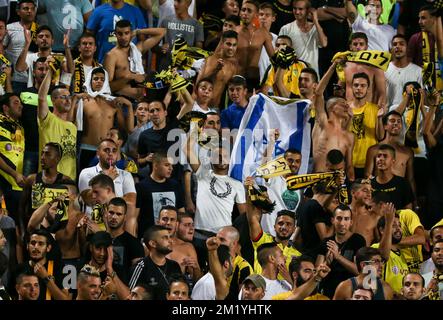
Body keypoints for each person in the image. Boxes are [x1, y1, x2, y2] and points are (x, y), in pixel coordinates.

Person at [185, 127, 246, 270]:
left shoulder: (237, 185)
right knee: (197, 271)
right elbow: (187, 149)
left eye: (224, 156)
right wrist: (195, 129)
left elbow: (243, 217)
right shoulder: (202, 174)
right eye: (217, 155)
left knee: (220, 273)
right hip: (200, 234)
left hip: (224, 238)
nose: (221, 158)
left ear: (230, 159)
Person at [74, 67, 130, 169]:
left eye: (102, 79)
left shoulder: (113, 103)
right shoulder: (83, 102)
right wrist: (76, 99)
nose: (99, 81)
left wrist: (122, 107)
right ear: (90, 81)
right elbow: (72, 124)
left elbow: (123, 129)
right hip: (87, 148)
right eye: (95, 79)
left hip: (108, 150)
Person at [244, 176, 300, 275]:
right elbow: (252, 219)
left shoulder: (298, 256)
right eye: (280, 223)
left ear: (294, 229)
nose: (284, 227)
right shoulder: (263, 241)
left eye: (288, 224)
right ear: (274, 227)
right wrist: (248, 191)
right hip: (259, 288)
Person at [104, 20, 166, 101]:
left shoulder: (138, 49)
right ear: (115, 34)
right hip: (122, 101)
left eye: (127, 33)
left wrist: (138, 31)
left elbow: (162, 32)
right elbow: (107, 87)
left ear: (131, 33)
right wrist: (129, 78)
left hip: (141, 101)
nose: (123, 37)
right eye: (120, 34)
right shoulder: (111, 56)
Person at [315, 204, 366, 298]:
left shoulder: (358, 240)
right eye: (339, 218)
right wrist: (327, 262)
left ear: (351, 222)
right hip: (327, 293)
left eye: (346, 219)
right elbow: (316, 273)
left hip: (350, 293)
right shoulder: (326, 242)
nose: (342, 223)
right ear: (332, 220)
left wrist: (338, 257)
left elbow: (359, 271)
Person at [37, 63, 77, 181]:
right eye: (63, 97)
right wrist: (50, 70)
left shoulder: (72, 126)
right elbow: (41, 98)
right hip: (48, 179)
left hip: (68, 180)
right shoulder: (47, 119)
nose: (68, 100)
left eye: (69, 97)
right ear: (53, 100)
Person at [132, 152, 185, 239]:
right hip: (149, 238)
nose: (171, 168)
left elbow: (181, 213)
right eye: (167, 165)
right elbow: (134, 218)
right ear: (155, 166)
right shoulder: (141, 186)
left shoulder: (175, 185)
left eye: (171, 165)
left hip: (171, 238)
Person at [365, 111, 416, 199]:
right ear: (385, 126)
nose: (396, 123)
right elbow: (367, 175)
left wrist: (415, 202)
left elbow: (410, 179)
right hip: (378, 194)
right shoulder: (374, 149)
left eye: (399, 121)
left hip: (400, 194)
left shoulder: (408, 151)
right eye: (392, 121)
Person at [78, 139, 136, 215]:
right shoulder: (86, 172)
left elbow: (131, 202)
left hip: (116, 222)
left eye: (114, 151)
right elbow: (89, 199)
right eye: (106, 150)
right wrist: (107, 179)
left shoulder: (126, 175)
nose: (111, 154)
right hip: (92, 221)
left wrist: (103, 197)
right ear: (98, 154)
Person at [128, 225, 182, 300]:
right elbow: (131, 295)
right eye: (165, 238)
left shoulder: (174, 265)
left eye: (170, 237)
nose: (170, 241)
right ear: (153, 243)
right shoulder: (140, 267)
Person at [311, 86, 354, 179]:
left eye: (347, 104)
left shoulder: (349, 136)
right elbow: (319, 93)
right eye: (342, 104)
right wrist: (332, 70)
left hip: (338, 184)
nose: (347, 106)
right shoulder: (322, 124)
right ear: (332, 107)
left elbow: (349, 166)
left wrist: (351, 185)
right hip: (319, 181)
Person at [15, 229, 69, 300]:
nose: (36, 247)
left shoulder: (60, 268)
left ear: (48, 248)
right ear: (27, 246)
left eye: (41, 244)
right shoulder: (18, 270)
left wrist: (46, 278)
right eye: (33, 243)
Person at [338, 32, 387, 108]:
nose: (358, 47)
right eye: (355, 44)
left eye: (361, 44)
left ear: (366, 46)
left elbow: (382, 93)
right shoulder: (345, 65)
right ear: (350, 47)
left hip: (368, 111)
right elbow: (339, 90)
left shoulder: (375, 67)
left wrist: (379, 112)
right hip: (349, 111)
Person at [279, 0, 327, 75]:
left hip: (311, 75)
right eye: (295, 8)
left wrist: (316, 21)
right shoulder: (286, 29)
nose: (297, 12)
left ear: (307, 11)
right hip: (292, 75)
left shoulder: (315, 29)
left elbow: (324, 43)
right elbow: (280, 54)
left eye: (300, 9)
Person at [347, 72, 381, 178]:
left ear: (368, 88)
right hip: (348, 164)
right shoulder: (344, 108)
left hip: (369, 164)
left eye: (363, 85)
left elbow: (380, 137)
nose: (359, 88)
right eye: (356, 85)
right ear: (351, 87)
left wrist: (379, 119)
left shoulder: (376, 109)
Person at [156, 206, 201, 283]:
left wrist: (196, 268)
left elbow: (197, 281)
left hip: (179, 291)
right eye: (165, 219)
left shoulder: (187, 247)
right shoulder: (149, 246)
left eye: (172, 220)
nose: (168, 223)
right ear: (158, 222)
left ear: (177, 225)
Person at [236, 1, 274, 91]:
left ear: (256, 15)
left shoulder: (263, 33)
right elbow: (220, 54)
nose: (245, 13)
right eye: (243, 10)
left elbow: (275, 61)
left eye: (249, 11)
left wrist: (267, 84)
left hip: (254, 81)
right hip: (235, 79)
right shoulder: (234, 31)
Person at [104, 197, 144, 283]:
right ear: (106, 214)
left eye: (118, 214)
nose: (114, 217)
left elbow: (138, 276)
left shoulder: (134, 244)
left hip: (123, 289)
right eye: (111, 212)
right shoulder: (98, 238)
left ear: (125, 217)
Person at [195, 30, 239, 107]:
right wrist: (216, 70)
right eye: (228, 44)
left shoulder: (233, 66)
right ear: (222, 44)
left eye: (234, 45)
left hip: (216, 108)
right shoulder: (212, 59)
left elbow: (231, 89)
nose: (231, 48)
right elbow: (200, 83)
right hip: (200, 106)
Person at [371, 204, 409, 293]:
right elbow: (383, 255)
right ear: (381, 230)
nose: (398, 228)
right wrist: (388, 223)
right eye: (393, 225)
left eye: (399, 225)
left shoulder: (401, 254)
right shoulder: (376, 247)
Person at [0, 93, 25, 226]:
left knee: (14, 227)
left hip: (16, 185)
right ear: (5, 107)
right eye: (16, 103)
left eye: (20, 103)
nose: (20, 105)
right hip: (3, 183)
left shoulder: (19, 127)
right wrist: (14, 174)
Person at [4, 0, 38, 92]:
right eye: (26, 9)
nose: (29, 11)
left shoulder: (40, 30)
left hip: (34, 80)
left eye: (32, 9)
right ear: (18, 12)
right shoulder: (9, 28)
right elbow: (1, 51)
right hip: (14, 79)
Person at [407, 5, 443, 92]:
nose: (419, 22)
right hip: (422, 87)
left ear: (434, 19)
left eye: (423, 18)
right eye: (419, 18)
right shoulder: (415, 38)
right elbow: (409, 65)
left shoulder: (441, 38)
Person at [370, 144, 414, 210]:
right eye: (378, 156)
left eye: (385, 156)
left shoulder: (402, 184)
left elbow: (408, 212)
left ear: (393, 161)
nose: (381, 159)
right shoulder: (369, 184)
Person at [386, 35, 423, 109]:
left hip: (411, 115)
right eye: (394, 44)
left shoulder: (418, 71)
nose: (397, 46)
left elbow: (421, 97)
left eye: (401, 44)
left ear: (407, 48)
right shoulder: (384, 70)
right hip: (390, 116)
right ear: (391, 49)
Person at [216, 225, 253, 300]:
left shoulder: (244, 267)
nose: (217, 242)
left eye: (222, 240)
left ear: (234, 243)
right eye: (216, 238)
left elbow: (244, 297)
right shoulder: (213, 258)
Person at [349, 178, 381, 246]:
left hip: (364, 255)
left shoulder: (374, 216)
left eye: (371, 191)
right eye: (365, 190)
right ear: (353, 193)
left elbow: (380, 243)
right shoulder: (341, 212)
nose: (369, 194)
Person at [257, 2, 278, 83]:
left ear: (273, 18)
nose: (263, 17)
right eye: (261, 14)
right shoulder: (251, 37)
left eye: (267, 15)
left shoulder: (277, 39)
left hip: (271, 86)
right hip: (254, 83)